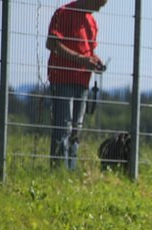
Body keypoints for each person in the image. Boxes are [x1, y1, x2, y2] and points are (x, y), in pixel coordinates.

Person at [45, 0, 107, 170]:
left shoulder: (92, 22)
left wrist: (95, 61)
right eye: (99, 4)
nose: (100, 8)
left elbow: (89, 51)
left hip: (82, 82)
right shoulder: (63, 13)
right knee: (63, 127)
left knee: (76, 130)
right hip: (62, 78)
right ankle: (58, 169)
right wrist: (81, 59)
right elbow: (51, 43)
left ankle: (70, 171)